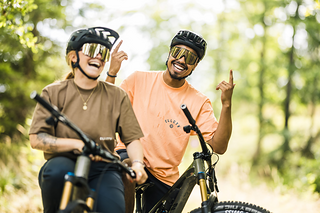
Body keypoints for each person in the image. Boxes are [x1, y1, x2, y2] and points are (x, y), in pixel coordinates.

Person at [106, 29, 235, 213]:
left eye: (189, 58)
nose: (182, 60)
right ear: (169, 54)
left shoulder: (199, 101)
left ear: (195, 65)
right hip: (129, 156)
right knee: (127, 172)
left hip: (164, 177)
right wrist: (112, 72)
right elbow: (107, 109)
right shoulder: (138, 80)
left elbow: (219, 147)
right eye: (178, 53)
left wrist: (227, 104)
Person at [29, 26, 147, 213]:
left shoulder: (117, 95)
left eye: (103, 53)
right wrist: (76, 144)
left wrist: (138, 164)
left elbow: (132, 138)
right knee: (55, 172)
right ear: (73, 57)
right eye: (92, 50)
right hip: (64, 160)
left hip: (104, 167)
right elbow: (36, 138)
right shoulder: (53, 92)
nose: (98, 56)